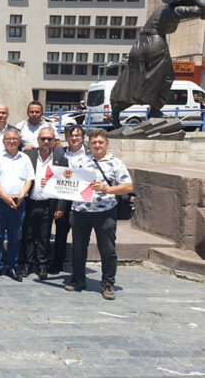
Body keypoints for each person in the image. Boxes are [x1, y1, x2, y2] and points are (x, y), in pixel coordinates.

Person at [65, 128, 133, 300]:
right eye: (93, 142)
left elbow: (128, 187)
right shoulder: (79, 161)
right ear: (89, 144)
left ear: (107, 144)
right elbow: (66, 181)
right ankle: (78, 279)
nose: (97, 145)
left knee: (107, 249)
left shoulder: (116, 163)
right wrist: (49, 182)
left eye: (100, 142)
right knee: (78, 248)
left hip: (105, 212)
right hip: (80, 211)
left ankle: (108, 282)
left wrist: (107, 189)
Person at [21, 127, 68, 280]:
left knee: (44, 235)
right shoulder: (28, 155)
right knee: (28, 234)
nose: (46, 141)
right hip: (30, 202)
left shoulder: (61, 160)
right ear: (38, 140)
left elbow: (64, 185)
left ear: (54, 141)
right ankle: (28, 263)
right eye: (43, 139)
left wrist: (60, 207)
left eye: (49, 139)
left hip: (48, 204)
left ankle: (42, 264)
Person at [0, 129, 34, 282]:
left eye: (15, 139)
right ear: (3, 141)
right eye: (8, 138)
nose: (11, 141)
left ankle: (12, 266)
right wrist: (4, 197)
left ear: (19, 141)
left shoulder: (25, 158)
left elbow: (29, 180)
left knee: (14, 237)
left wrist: (21, 197)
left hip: (18, 203)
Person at [52, 124, 90, 274]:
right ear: (66, 138)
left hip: (83, 199)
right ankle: (57, 262)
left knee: (80, 236)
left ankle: (78, 266)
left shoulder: (90, 152)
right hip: (64, 199)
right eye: (71, 135)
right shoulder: (59, 152)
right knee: (61, 233)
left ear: (82, 137)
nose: (74, 138)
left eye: (77, 135)